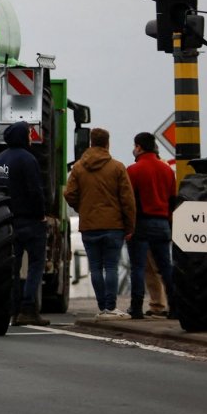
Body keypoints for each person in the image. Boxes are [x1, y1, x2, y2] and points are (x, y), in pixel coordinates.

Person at [64, 126, 136, 318]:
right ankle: (111, 308)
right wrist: (130, 226)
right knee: (111, 266)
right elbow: (127, 200)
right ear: (107, 143)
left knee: (95, 267)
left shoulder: (79, 168)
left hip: (89, 225)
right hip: (114, 225)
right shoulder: (117, 167)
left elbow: (69, 193)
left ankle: (102, 307)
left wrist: (83, 208)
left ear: (91, 142)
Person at [0, 122, 48, 326]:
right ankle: (28, 307)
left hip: (8, 220)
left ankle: (14, 308)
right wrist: (41, 214)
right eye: (28, 133)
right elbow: (35, 190)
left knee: (13, 268)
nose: (30, 137)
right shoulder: (28, 159)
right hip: (31, 221)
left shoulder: (0, 159)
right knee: (36, 264)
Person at [126, 131, 177, 320]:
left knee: (138, 268)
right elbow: (173, 200)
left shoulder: (133, 170)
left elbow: (129, 200)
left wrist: (128, 226)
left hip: (141, 223)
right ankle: (175, 306)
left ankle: (136, 307)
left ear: (138, 147)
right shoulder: (167, 170)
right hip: (163, 223)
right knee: (166, 268)